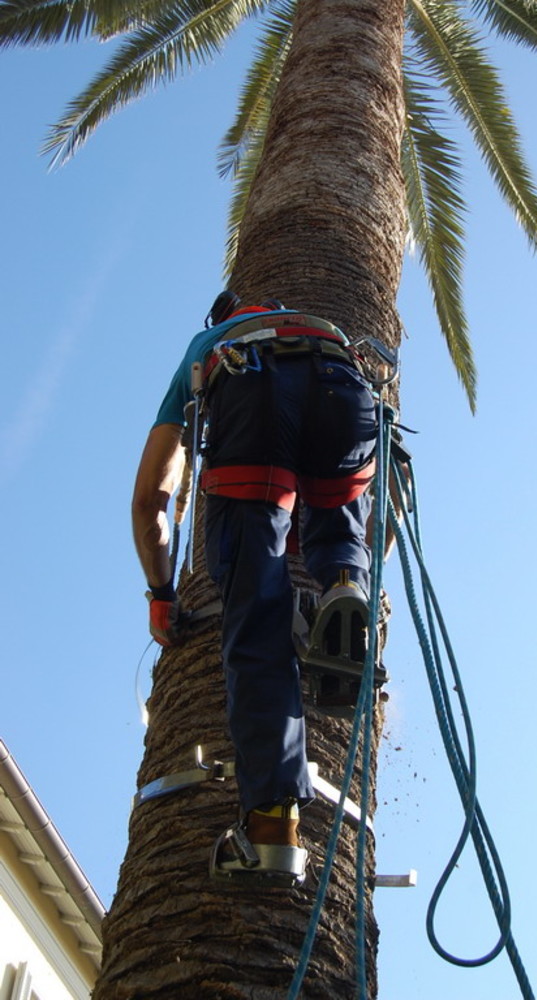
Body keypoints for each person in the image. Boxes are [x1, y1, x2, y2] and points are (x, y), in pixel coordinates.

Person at [131, 292, 377, 883]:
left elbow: (151, 504)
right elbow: (382, 521)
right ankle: (345, 581)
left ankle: (270, 829)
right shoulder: (328, 330)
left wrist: (162, 595)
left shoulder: (208, 347)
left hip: (253, 397)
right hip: (346, 393)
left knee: (257, 611)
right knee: (340, 514)